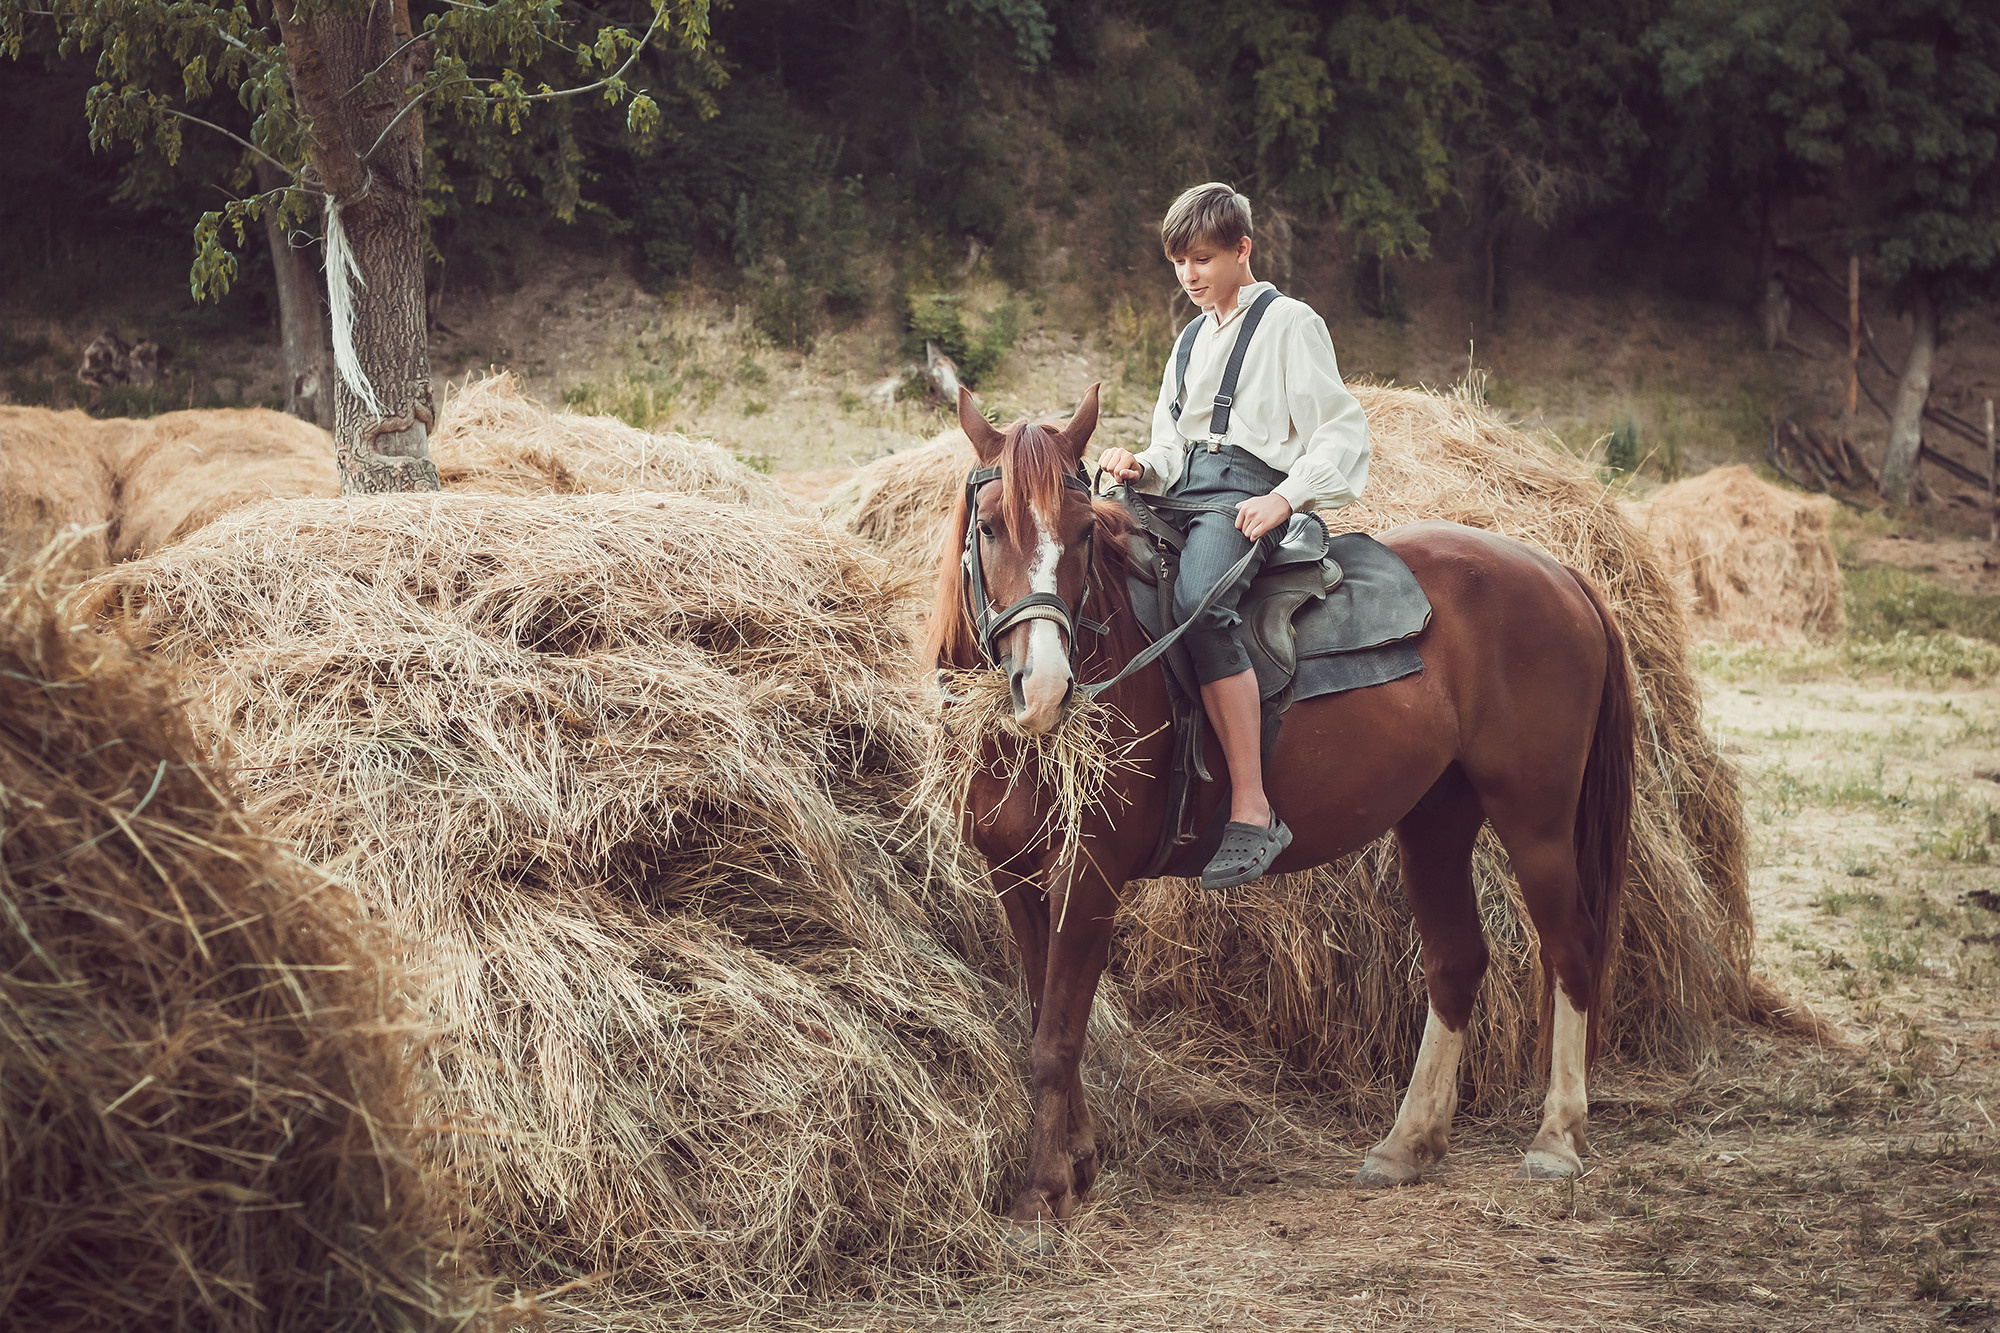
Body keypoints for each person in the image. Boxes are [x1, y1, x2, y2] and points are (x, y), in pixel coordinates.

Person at [1098, 182, 1371, 890]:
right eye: (1179, 262)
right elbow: (1171, 445)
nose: (1189, 276)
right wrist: (1139, 463)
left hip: (1247, 499)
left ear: (1242, 249)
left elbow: (1340, 429)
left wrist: (1284, 497)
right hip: (1184, 494)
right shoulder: (1188, 339)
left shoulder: (1291, 324)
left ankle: (1252, 805)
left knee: (1198, 603)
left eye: (1203, 259)